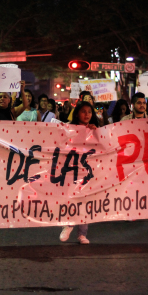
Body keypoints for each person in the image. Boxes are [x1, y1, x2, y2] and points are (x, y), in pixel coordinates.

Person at [59, 101, 99, 245]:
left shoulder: (94, 129)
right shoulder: (69, 128)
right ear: (77, 114)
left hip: (86, 169)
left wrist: (95, 132)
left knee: (85, 201)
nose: (87, 114)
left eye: (89, 111)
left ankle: (82, 234)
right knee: (72, 197)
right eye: (83, 111)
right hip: (71, 169)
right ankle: (69, 224)